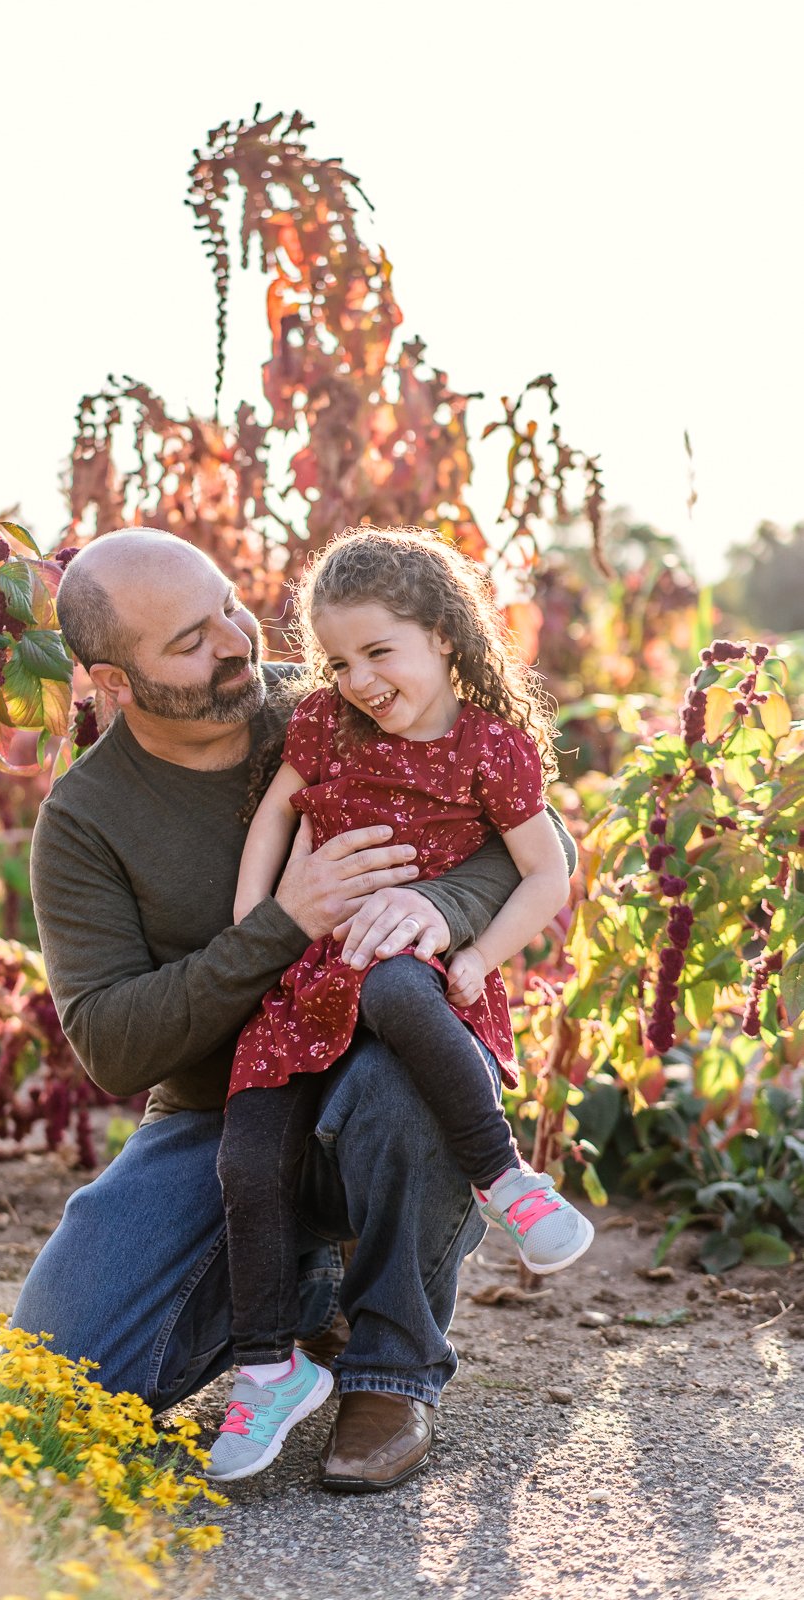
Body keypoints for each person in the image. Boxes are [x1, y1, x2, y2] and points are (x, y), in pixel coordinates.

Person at [11, 526, 578, 1493]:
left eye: (229, 605)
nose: (236, 642)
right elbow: (111, 1044)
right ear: (111, 680)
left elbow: (532, 837)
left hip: (380, 1063)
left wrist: (433, 911)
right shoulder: (84, 822)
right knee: (51, 1383)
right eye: (189, 641)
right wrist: (282, 922)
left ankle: (390, 1370)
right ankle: (303, 1299)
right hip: (220, 1111)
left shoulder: (333, 699)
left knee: (400, 1082)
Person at [206, 527, 593, 1482]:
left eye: (380, 651)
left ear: (447, 640)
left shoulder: (490, 749)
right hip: (303, 979)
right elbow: (277, 816)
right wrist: (252, 928)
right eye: (339, 659)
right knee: (246, 1153)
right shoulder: (327, 728)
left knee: (393, 986)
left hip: (417, 968)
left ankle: (508, 1181)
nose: (358, 677)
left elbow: (547, 874)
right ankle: (268, 1366)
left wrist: (479, 958)